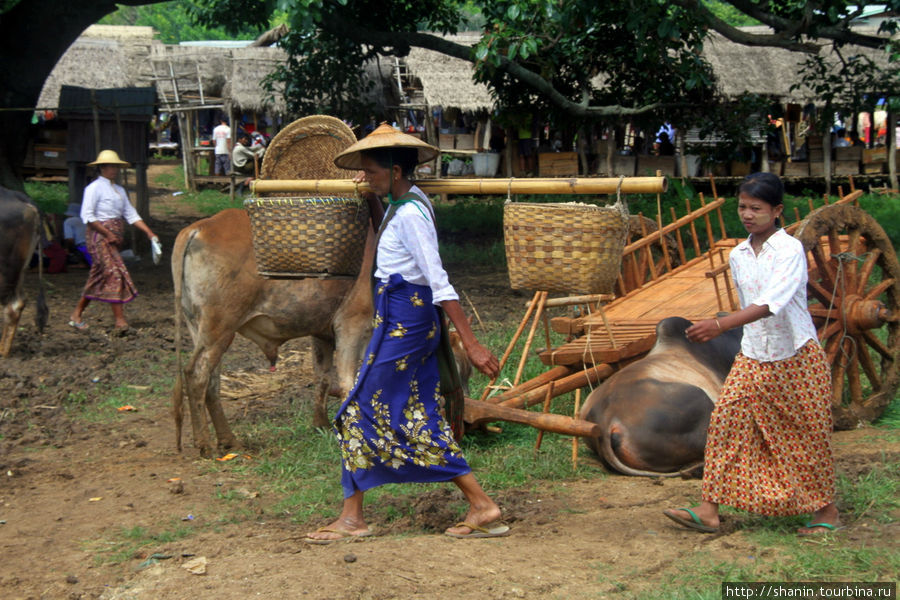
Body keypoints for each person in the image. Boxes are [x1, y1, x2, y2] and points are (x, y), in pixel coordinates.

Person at [305, 123, 506, 544]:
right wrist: (375, 205)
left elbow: (438, 281)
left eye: (371, 171)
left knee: (359, 409)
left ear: (396, 170)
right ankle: (480, 506)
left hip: (408, 323)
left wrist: (471, 343)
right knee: (415, 413)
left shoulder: (413, 215)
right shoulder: (405, 203)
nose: (363, 177)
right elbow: (392, 235)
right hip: (399, 320)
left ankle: (353, 518)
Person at [663, 172, 840, 537]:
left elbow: (770, 303)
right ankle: (708, 509)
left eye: (756, 208)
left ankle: (826, 512)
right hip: (754, 354)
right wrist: (728, 328)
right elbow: (750, 306)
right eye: (743, 207)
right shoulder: (738, 254)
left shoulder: (789, 250)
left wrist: (720, 325)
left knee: (807, 434)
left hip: (796, 355)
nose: (747, 214)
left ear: (776, 211)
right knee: (726, 421)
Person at [68, 150, 158, 331]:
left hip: (114, 237)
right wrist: (107, 233)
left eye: (116, 166)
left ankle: (76, 314)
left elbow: (130, 214)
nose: (114, 169)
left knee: (100, 275)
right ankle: (120, 320)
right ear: (102, 168)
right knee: (114, 273)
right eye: (110, 166)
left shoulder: (120, 191)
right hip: (99, 237)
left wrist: (149, 233)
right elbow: (88, 216)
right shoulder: (93, 188)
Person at [62, 203, 90, 267]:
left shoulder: (68, 221)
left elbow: (70, 239)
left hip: (81, 248)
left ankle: (81, 263)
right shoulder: (87, 220)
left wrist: (67, 249)